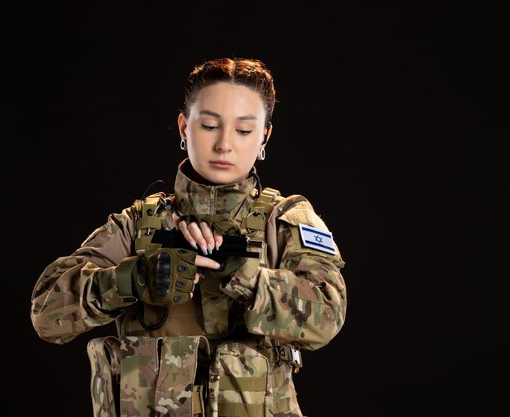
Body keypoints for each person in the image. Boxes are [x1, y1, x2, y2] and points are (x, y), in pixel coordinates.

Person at [31, 57, 347, 417]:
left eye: (243, 131)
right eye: (210, 125)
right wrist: (132, 280)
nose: (224, 144)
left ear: (264, 136)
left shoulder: (284, 220)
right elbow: (46, 313)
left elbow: (327, 316)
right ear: (184, 127)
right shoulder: (137, 224)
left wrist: (245, 278)